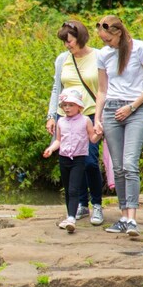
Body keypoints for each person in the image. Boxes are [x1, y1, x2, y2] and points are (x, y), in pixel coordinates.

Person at [94, 15, 143, 237]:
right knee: (118, 167)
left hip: (136, 111)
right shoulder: (104, 54)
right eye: (103, 40)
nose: (106, 44)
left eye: (108, 39)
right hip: (111, 112)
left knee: (130, 163)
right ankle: (123, 217)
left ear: (119, 33)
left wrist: (131, 107)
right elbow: (102, 90)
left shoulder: (140, 48)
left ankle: (132, 219)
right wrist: (97, 119)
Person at [46, 20, 106, 226]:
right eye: (64, 41)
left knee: (89, 161)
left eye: (69, 41)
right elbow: (57, 88)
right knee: (71, 160)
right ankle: (82, 204)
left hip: (90, 114)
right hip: (65, 117)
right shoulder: (62, 59)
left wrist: (101, 117)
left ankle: (96, 204)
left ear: (80, 38)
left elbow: (105, 87)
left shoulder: (99, 56)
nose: (66, 45)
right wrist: (51, 116)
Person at [43, 88, 102, 233]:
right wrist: (51, 149)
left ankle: (71, 219)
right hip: (64, 158)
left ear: (79, 106)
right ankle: (70, 215)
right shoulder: (61, 121)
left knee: (74, 188)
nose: (67, 108)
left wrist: (100, 133)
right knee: (68, 189)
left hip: (78, 158)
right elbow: (59, 140)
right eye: (65, 105)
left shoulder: (85, 120)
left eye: (71, 105)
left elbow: (92, 138)